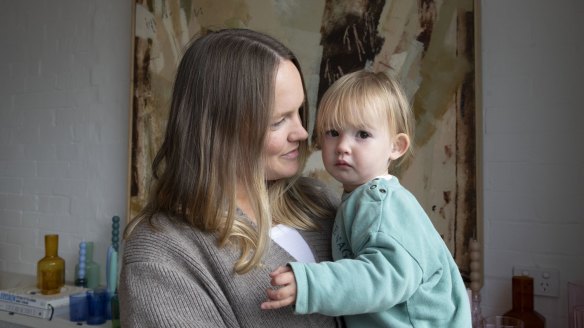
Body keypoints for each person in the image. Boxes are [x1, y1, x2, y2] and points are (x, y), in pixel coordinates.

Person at [119, 28, 343, 328]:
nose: (302, 132)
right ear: (220, 130)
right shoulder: (161, 255)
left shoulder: (317, 201)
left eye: (299, 112)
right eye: (279, 121)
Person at [261, 70, 472, 327]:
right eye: (332, 132)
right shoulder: (357, 198)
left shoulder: (381, 203)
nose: (342, 146)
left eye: (362, 134)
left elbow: (389, 275)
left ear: (396, 147)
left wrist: (311, 284)